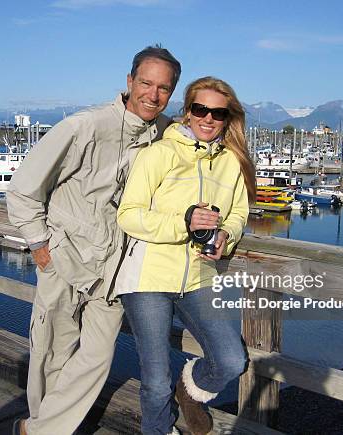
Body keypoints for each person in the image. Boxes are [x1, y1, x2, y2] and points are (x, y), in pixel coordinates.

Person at [6, 45, 181, 435]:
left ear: (172, 92)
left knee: (97, 358)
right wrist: (39, 245)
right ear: (129, 81)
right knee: (52, 353)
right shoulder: (84, 127)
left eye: (164, 88)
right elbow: (23, 190)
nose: (153, 95)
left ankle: (34, 431)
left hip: (116, 272)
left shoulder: (168, 134)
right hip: (65, 259)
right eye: (146, 83)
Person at [115, 77, 256, 435]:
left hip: (199, 277)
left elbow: (238, 213)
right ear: (188, 111)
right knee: (155, 379)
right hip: (149, 278)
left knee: (231, 360)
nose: (208, 118)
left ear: (228, 118)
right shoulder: (160, 153)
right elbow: (128, 214)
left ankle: (190, 390)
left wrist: (228, 233)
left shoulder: (231, 162)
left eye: (218, 113)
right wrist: (184, 222)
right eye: (200, 109)